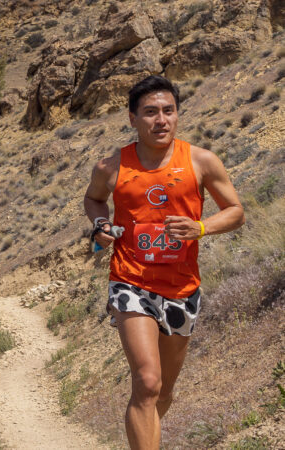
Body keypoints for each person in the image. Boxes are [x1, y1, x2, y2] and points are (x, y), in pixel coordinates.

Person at [83, 75, 245, 450]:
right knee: (147, 381)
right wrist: (100, 225)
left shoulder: (201, 161)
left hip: (182, 289)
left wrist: (200, 227)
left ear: (177, 115)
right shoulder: (110, 166)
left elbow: (235, 212)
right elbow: (93, 200)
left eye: (168, 111)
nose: (161, 120)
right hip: (130, 282)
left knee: (164, 392)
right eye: (151, 112)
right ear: (132, 118)